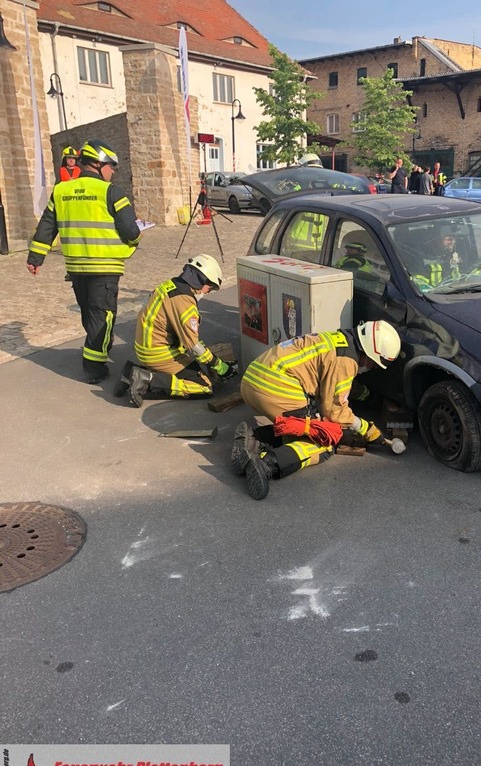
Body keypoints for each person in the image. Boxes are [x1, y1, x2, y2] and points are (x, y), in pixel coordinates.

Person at [232, 321, 402, 500]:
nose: (373, 367)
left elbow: (338, 384)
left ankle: (254, 439)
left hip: (252, 381)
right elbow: (333, 411)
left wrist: (370, 398)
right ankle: (266, 464)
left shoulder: (339, 340)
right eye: (375, 364)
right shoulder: (346, 360)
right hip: (274, 389)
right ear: (369, 352)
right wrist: (366, 429)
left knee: (303, 427)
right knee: (324, 441)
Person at [26, 139, 141, 384]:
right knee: (103, 317)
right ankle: (94, 368)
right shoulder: (111, 192)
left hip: (76, 268)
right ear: (99, 165)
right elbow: (131, 230)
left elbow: (47, 226)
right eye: (112, 166)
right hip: (105, 267)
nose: (113, 172)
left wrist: (36, 257)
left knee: (90, 314)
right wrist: (134, 240)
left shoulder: (61, 191)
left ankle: (94, 353)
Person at [114, 254, 237, 407]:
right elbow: (192, 346)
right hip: (160, 354)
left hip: (146, 348)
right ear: (201, 280)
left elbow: (183, 334)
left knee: (194, 368)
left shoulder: (170, 285)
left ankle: (130, 372)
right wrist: (218, 365)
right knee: (204, 387)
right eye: (209, 288)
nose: (207, 292)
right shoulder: (184, 302)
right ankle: (148, 379)